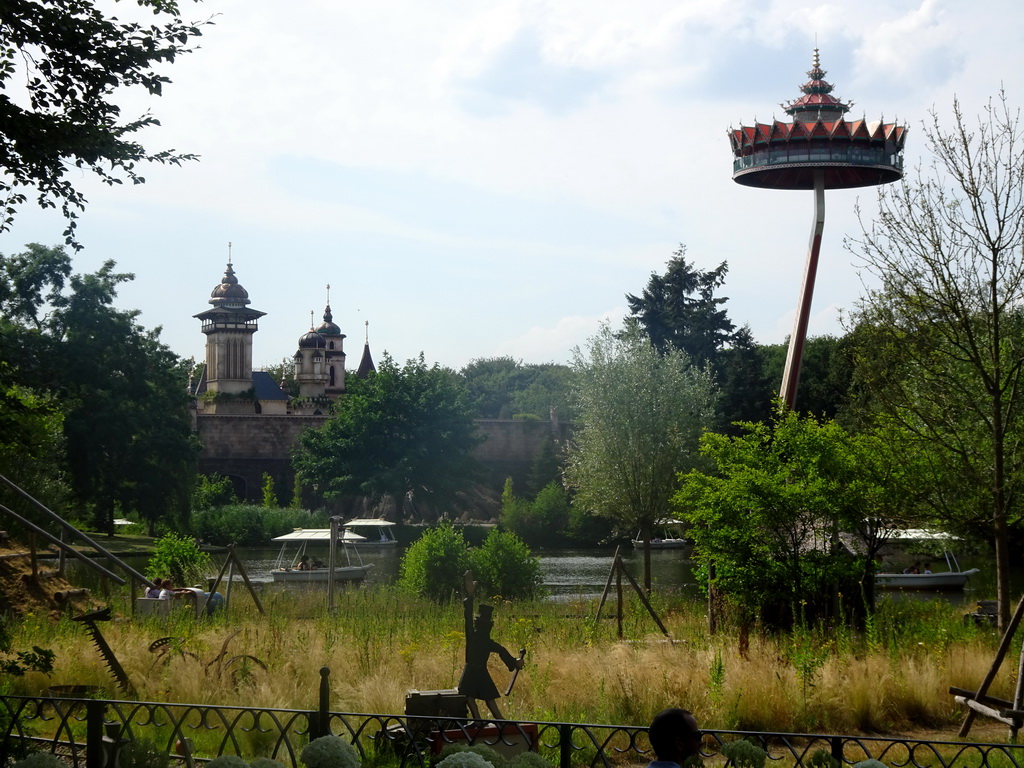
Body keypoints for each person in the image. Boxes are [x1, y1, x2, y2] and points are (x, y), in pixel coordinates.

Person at [457, 574, 523, 721]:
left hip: (473, 670)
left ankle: (484, 721)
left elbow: (468, 617)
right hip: (478, 670)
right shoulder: (485, 641)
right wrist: (514, 662)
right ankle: (494, 721)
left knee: (471, 697)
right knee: (482, 698)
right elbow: (502, 651)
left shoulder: (473, 636)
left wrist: (470, 596)